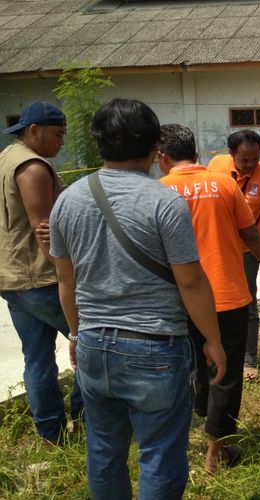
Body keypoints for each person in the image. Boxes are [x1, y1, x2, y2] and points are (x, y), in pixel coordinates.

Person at [49, 99, 227, 500]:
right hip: (154, 348)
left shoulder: (68, 200)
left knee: (104, 449)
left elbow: (65, 281)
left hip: (94, 344)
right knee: (160, 454)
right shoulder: (163, 201)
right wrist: (212, 340)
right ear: (154, 147)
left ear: (99, 145)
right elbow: (192, 283)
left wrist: (77, 336)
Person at [157, 123, 260, 473]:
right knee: (226, 372)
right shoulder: (225, 184)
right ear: (196, 153)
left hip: (181, 299)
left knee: (194, 363)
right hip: (227, 294)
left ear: (162, 157)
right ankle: (217, 448)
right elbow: (250, 234)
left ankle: (196, 424)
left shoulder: (160, 190)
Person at [0, 100, 83, 444]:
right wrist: (71, 277)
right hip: (41, 279)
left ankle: (50, 434)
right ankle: (87, 420)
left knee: (37, 359)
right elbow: (45, 231)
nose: (62, 141)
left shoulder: (7, 157)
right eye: (58, 134)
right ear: (34, 131)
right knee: (92, 344)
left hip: (13, 277)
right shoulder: (33, 168)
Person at [208, 130, 260, 381]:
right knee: (211, 300)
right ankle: (212, 352)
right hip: (216, 247)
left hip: (246, 251)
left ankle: (248, 359)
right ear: (231, 154)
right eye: (244, 160)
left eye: (255, 159)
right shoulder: (216, 166)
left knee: (247, 302)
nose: (250, 165)